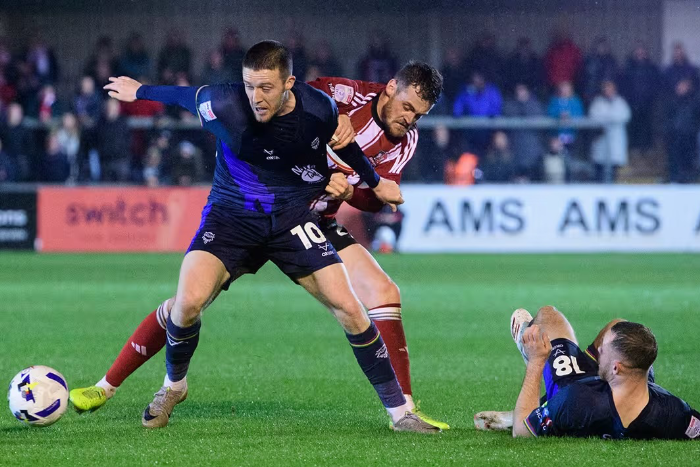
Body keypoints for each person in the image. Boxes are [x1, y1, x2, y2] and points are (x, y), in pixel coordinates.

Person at [71, 40, 433, 432]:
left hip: (293, 218)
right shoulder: (225, 102)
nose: (256, 98)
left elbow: (351, 152)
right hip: (232, 218)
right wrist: (140, 91)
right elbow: (185, 96)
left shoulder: (320, 110)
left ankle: (400, 413)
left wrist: (372, 184)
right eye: (249, 86)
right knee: (187, 303)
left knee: (350, 306)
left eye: (266, 88)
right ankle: (171, 386)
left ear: (289, 84)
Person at [474, 306, 700, 440]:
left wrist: (536, 361)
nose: (599, 349)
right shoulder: (674, 412)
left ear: (616, 367)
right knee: (619, 324)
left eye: (604, 349)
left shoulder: (576, 400)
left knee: (547, 315)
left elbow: (522, 432)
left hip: (573, 381)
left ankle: (537, 404)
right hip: (627, 384)